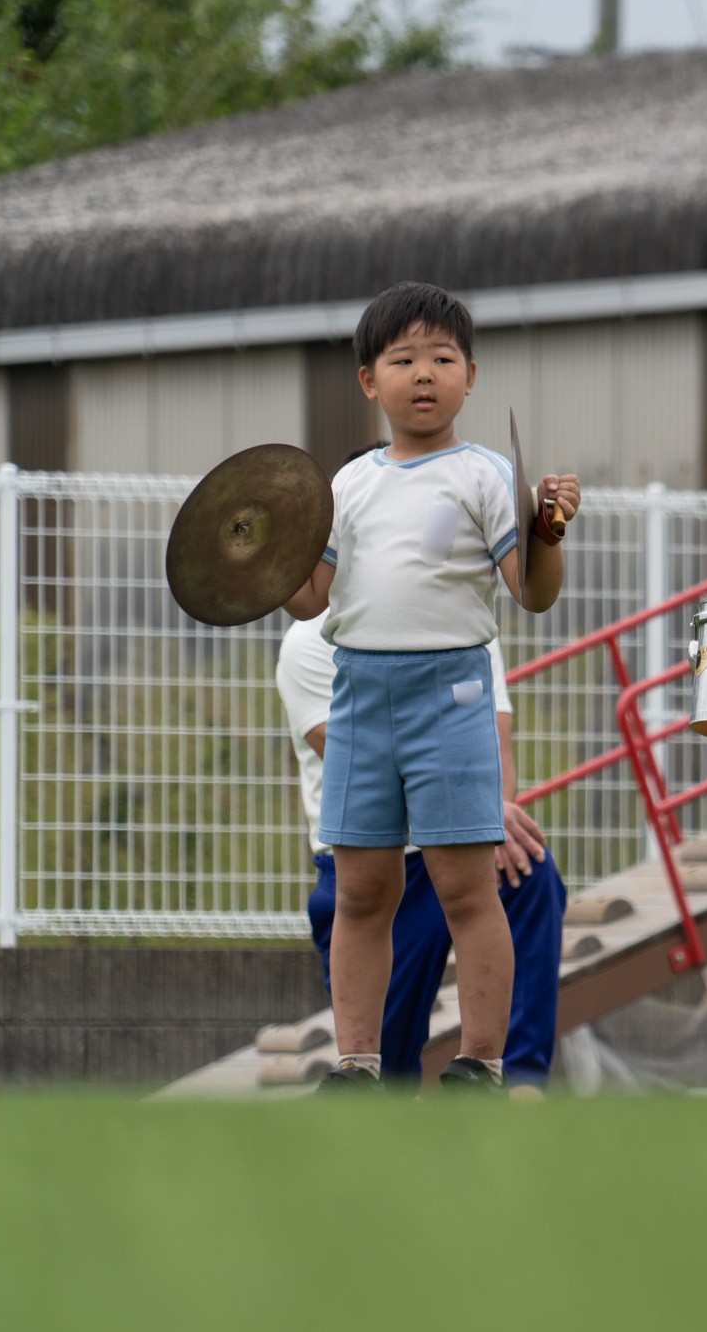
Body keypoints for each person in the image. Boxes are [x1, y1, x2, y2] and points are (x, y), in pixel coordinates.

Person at [283, 281, 578, 1092]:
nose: (424, 373)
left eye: (442, 358)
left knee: (465, 885)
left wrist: (549, 529)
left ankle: (481, 1060)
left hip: (452, 693)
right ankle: (356, 1062)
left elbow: (534, 591)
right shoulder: (346, 486)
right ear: (368, 380)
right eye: (403, 358)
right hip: (359, 693)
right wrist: (266, 551)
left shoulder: (485, 475)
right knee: (362, 889)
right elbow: (310, 598)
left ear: (470, 377)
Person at [275, 598, 567, 1090]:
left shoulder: (467, 620)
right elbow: (369, 772)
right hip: (369, 867)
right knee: (388, 1077)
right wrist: (478, 810)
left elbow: (494, 740)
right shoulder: (308, 643)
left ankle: (519, 1083)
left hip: (457, 842)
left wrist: (489, 813)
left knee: (530, 870)